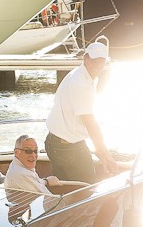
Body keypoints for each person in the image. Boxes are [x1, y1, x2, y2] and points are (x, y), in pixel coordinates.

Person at [44, 41, 118, 184]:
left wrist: (101, 152)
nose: (97, 65)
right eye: (93, 60)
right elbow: (90, 123)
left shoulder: (77, 74)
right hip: (68, 147)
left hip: (53, 142)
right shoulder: (81, 84)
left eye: (101, 61)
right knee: (88, 188)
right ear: (85, 58)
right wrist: (106, 156)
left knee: (64, 189)